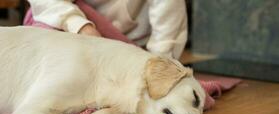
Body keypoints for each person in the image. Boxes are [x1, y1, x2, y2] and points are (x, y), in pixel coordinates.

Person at [27, 0, 187, 59]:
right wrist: (82, 26)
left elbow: (168, 10)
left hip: (134, 43)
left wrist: (161, 59)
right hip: (76, 23)